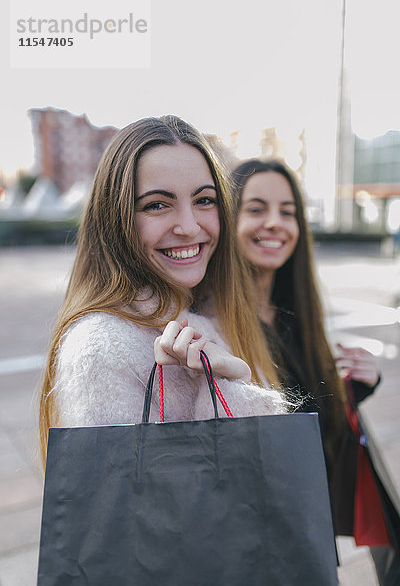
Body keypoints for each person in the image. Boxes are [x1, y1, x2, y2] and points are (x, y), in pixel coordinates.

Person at [38, 116, 286, 468]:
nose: (189, 226)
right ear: (117, 218)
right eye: (157, 204)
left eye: (204, 200)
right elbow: (143, 509)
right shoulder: (101, 348)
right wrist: (227, 389)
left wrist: (232, 380)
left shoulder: (203, 316)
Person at [232, 158, 400, 586]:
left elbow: (305, 415)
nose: (275, 223)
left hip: (310, 524)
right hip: (259, 543)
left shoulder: (293, 315)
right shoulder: (217, 325)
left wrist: (349, 390)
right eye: (256, 209)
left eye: (288, 212)